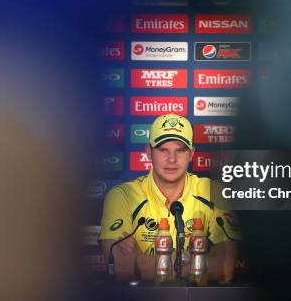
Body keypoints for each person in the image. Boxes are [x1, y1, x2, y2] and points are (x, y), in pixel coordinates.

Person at [99, 113, 241, 282]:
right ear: (149, 152)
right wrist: (193, 263)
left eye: (180, 150)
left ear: (191, 154)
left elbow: (225, 267)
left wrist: (146, 261)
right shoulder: (122, 196)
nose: (172, 159)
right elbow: (120, 266)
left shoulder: (213, 191)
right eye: (163, 149)